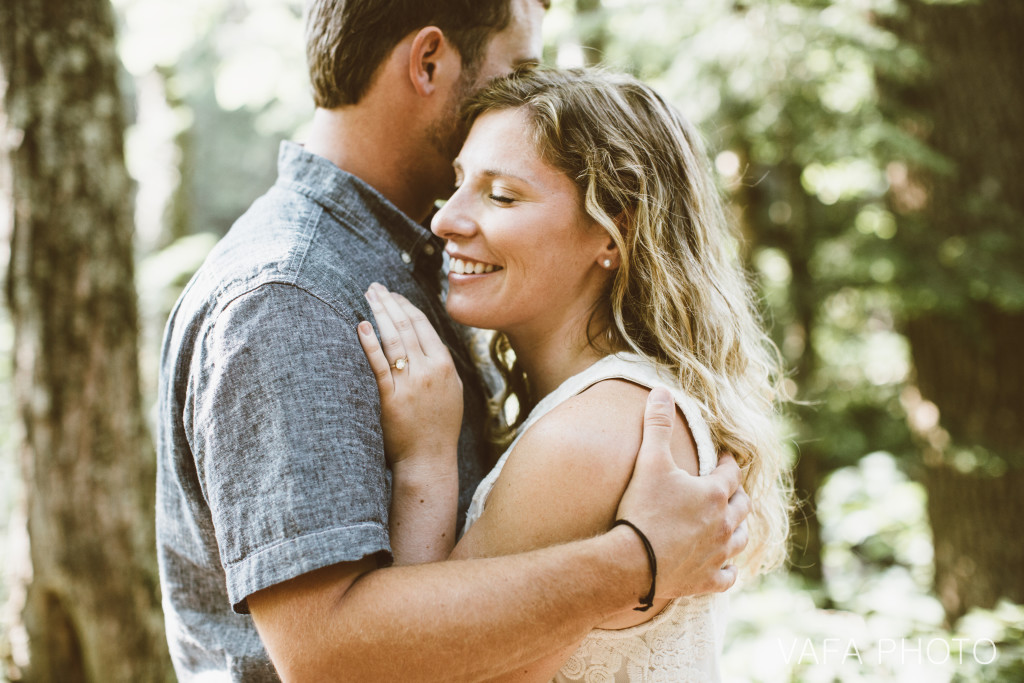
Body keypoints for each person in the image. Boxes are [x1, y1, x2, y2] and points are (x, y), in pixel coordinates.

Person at [156, 2, 752, 681]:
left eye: (501, 195)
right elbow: (326, 656)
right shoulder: (292, 292)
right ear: (429, 61)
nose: (451, 220)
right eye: (520, 68)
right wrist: (638, 560)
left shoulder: (414, 272)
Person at [358, 66, 792, 682]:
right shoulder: (620, 401)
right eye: (457, 184)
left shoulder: (593, 435)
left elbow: (410, 673)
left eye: (502, 195)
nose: (445, 220)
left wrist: (425, 457)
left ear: (614, 230)